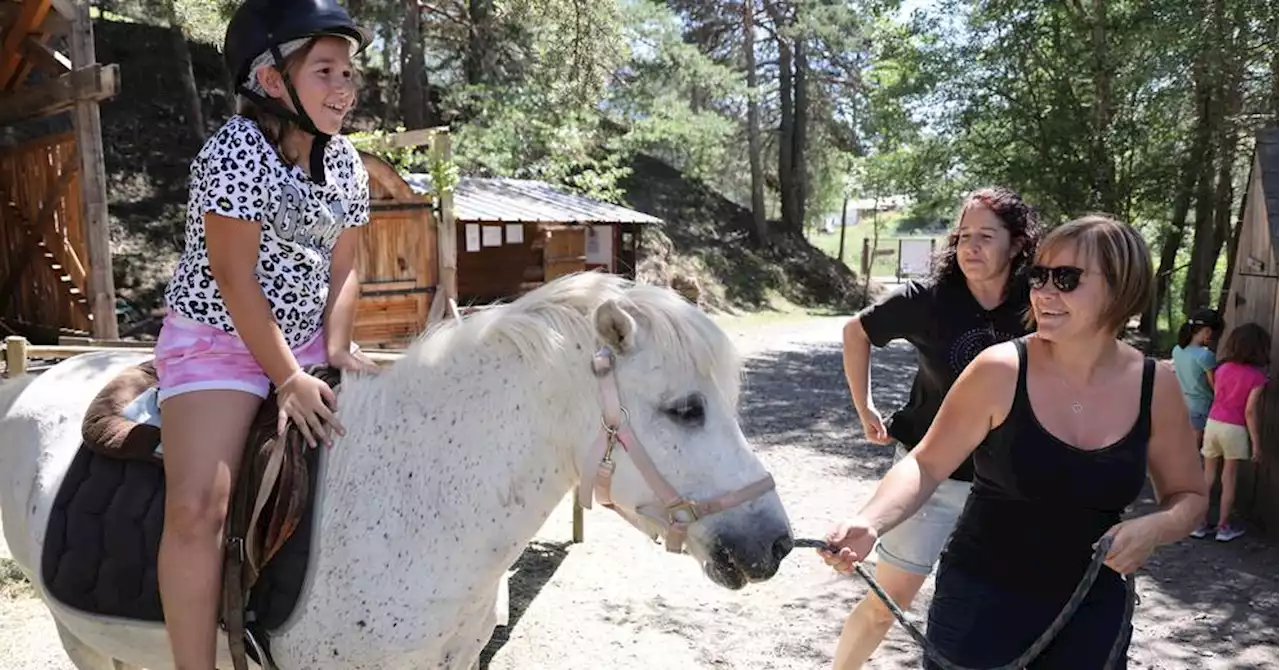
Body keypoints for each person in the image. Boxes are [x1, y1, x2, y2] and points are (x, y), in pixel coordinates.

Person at [822, 214, 1207, 669]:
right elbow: (926, 465)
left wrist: (1157, 527)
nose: (1043, 292)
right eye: (1038, 276)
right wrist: (870, 521)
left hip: (1091, 610)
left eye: (1066, 278)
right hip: (980, 604)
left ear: (1122, 286)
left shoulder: (1155, 386)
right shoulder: (1000, 369)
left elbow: (1189, 495)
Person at [153, 1, 379, 667]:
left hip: (307, 343)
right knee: (199, 508)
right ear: (273, 80)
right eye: (326, 71)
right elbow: (233, 276)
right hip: (219, 342)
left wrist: (335, 348)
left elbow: (347, 265)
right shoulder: (233, 152)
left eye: (349, 73)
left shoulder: (345, 165)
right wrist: (286, 378)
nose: (346, 88)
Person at [834, 187, 1041, 668]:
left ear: (1016, 244)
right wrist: (864, 406)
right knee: (888, 604)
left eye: (986, 236)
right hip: (930, 478)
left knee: (1002, 609)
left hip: (1011, 487)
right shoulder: (927, 299)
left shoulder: (1038, 300)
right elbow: (855, 332)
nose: (970, 247)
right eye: (964, 236)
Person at [1191, 321, 1270, 541]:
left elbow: (1217, 395)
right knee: (1229, 479)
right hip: (1234, 429)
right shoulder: (1257, 378)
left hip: (1213, 424)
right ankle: (1223, 527)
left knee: (1207, 476)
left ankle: (1199, 523)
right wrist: (1256, 444)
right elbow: (1250, 412)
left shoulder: (1222, 368)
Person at [1170, 309, 1222, 447]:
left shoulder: (1177, 350)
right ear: (1206, 330)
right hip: (1202, 406)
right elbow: (1215, 385)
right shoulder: (1205, 356)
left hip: (1182, 403)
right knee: (1194, 448)